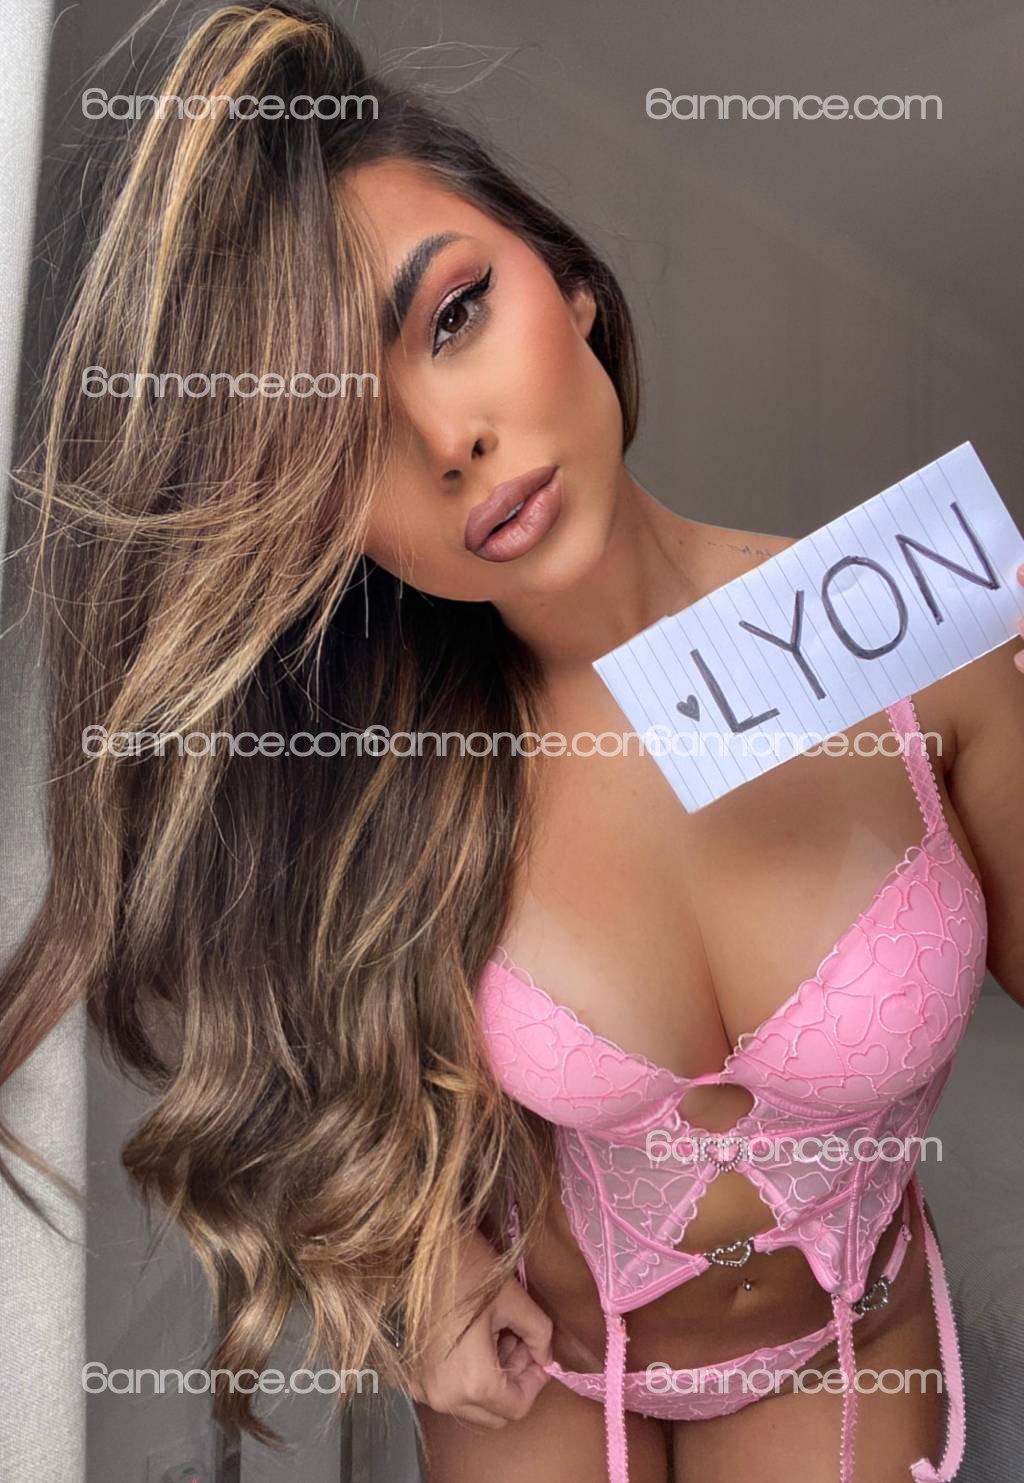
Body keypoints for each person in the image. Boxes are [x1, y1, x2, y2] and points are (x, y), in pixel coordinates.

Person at [3, 4, 1023, 1480]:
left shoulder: (929, 634)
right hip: (540, 1380)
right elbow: (292, 1053)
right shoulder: (370, 767)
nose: (447, 441)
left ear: (572, 281)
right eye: (341, 434)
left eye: (453, 315)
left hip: (845, 1358)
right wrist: (404, 1263)